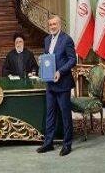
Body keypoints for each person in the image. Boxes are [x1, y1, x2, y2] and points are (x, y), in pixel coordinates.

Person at [36, 15, 76, 157]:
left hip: (63, 84)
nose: (52, 26)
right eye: (50, 24)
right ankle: (48, 143)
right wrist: (42, 61)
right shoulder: (47, 39)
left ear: (59, 25)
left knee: (65, 115)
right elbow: (48, 58)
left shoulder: (67, 39)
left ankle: (67, 144)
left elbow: (73, 60)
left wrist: (60, 71)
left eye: (54, 24)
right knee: (50, 114)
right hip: (50, 84)